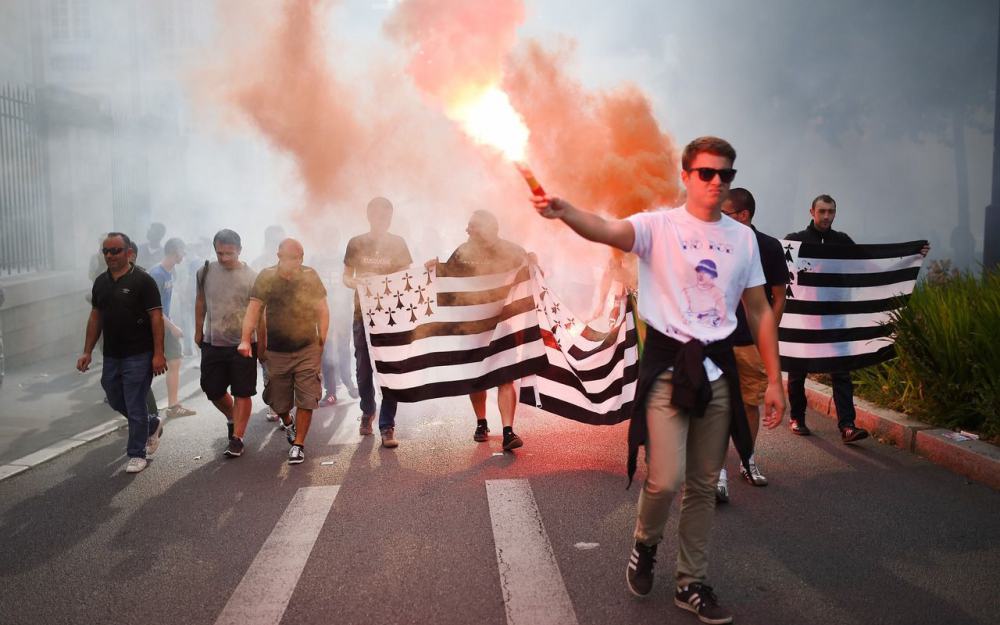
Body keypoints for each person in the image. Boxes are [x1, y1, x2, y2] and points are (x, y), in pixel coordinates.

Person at [532, 136, 785, 624]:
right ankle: (645, 545)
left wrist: (775, 378)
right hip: (669, 368)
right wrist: (564, 210)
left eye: (724, 175)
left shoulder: (743, 239)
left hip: (718, 369)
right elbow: (605, 229)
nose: (716, 182)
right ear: (686, 176)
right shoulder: (657, 226)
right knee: (665, 478)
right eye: (706, 173)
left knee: (703, 485)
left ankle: (691, 582)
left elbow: (758, 310)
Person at [431, 210, 532, 451]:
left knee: (506, 376)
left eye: (474, 227)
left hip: (502, 324)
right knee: (477, 379)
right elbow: (447, 283)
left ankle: (508, 431)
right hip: (472, 328)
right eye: (469, 228)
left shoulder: (511, 251)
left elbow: (529, 269)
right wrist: (433, 269)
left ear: (491, 228)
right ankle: (481, 423)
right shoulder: (462, 253)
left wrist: (534, 260)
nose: (469, 232)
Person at [715, 188, 789, 503]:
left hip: (749, 342)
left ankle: (747, 459)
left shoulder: (769, 247)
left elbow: (779, 296)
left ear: (744, 215)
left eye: (726, 213)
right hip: (716, 340)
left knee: (748, 403)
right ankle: (716, 473)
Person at [77, 232, 167, 474]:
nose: (109, 255)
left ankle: (137, 454)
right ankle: (152, 423)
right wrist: (87, 351)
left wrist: (159, 353)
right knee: (114, 395)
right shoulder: (101, 283)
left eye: (115, 250)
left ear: (129, 253)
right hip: (112, 354)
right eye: (106, 251)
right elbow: (95, 317)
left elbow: (156, 317)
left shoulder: (143, 281)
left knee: (135, 401)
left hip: (140, 353)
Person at [240, 238, 328, 465]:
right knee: (278, 401)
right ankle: (288, 422)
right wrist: (246, 340)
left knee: (307, 397)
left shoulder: (310, 276)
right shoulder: (267, 277)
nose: (288, 263)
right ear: (278, 257)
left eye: (294, 259)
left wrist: (321, 342)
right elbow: (253, 310)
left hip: (307, 347)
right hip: (277, 351)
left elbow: (323, 310)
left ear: (301, 259)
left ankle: (298, 445)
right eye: (283, 258)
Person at [342, 197, 412, 448]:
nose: (382, 220)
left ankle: (387, 425)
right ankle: (367, 410)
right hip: (362, 314)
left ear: (391, 217)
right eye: (378, 215)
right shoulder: (356, 243)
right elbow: (346, 277)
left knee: (389, 369)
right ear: (369, 216)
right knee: (363, 368)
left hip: (391, 318)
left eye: (387, 216)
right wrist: (359, 282)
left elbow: (407, 276)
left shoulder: (398, 243)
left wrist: (387, 281)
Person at [195, 229, 260, 457]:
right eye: (220, 253)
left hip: (243, 343)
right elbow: (200, 301)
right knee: (212, 389)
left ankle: (237, 438)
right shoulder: (204, 271)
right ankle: (233, 416)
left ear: (239, 251)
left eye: (229, 254)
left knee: (243, 391)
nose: (224, 258)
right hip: (213, 341)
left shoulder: (252, 276)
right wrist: (197, 330)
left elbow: (259, 311)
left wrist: (259, 340)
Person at [149, 238, 197, 419]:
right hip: (157, 326)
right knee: (149, 367)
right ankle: (146, 411)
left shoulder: (170, 272)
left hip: (165, 324)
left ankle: (173, 405)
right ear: (175, 250)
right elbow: (152, 308)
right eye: (182, 250)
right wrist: (173, 326)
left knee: (175, 362)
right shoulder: (157, 274)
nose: (184, 254)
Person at [251, 225, 286, 421]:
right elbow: (254, 297)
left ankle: (283, 406)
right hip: (265, 323)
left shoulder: (289, 262)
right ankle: (275, 406)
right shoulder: (259, 264)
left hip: (288, 323)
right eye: (273, 240)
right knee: (267, 365)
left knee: (285, 368)